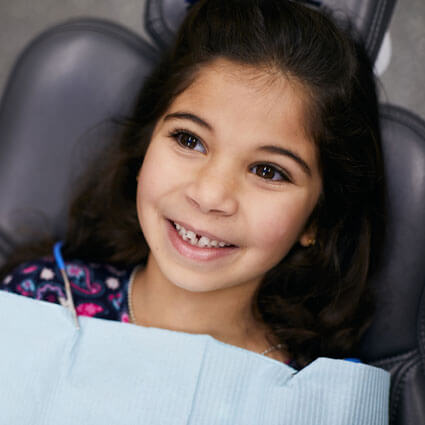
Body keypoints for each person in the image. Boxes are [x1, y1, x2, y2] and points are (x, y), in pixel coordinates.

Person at [0, 0, 389, 422]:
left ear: (317, 219)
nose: (209, 195)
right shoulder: (38, 302)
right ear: (145, 146)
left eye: (268, 171)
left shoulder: (321, 401)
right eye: (189, 140)